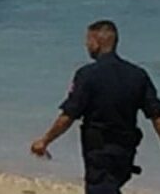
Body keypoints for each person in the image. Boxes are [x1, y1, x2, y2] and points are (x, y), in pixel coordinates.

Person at [31, 20, 160, 194]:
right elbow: (156, 116)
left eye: (88, 41)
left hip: (99, 151)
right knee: (111, 186)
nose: (86, 46)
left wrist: (45, 141)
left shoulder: (87, 75)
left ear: (96, 42)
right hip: (126, 152)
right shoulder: (138, 75)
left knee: (100, 188)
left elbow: (69, 115)